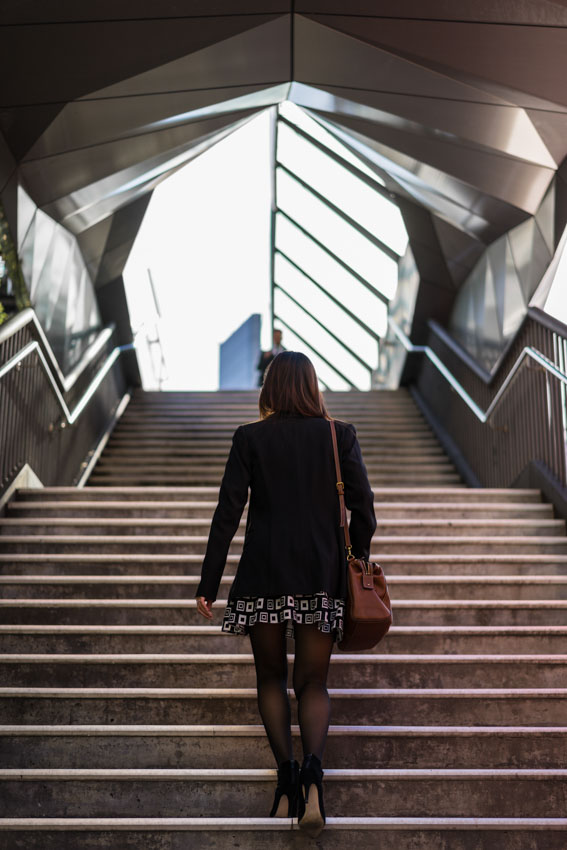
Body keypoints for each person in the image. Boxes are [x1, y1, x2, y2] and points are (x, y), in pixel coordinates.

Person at [195, 351, 376, 837]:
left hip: (264, 575)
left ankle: (286, 782)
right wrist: (352, 558)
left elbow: (227, 514)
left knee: (271, 678)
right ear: (313, 386)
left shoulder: (250, 438)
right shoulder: (340, 435)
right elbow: (365, 510)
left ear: (270, 388)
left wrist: (209, 583)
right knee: (313, 683)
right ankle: (315, 777)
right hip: (322, 575)